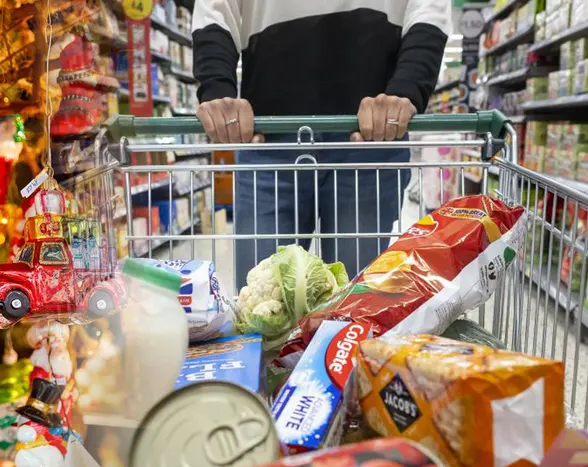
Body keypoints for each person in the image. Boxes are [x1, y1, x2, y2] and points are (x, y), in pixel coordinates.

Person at [191, 1, 450, 280]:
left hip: (370, 140)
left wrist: (407, 89)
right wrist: (217, 90)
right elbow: (216, 9)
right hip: (270, 139)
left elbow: (428, 9)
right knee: (262, 303)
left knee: (353, 305)